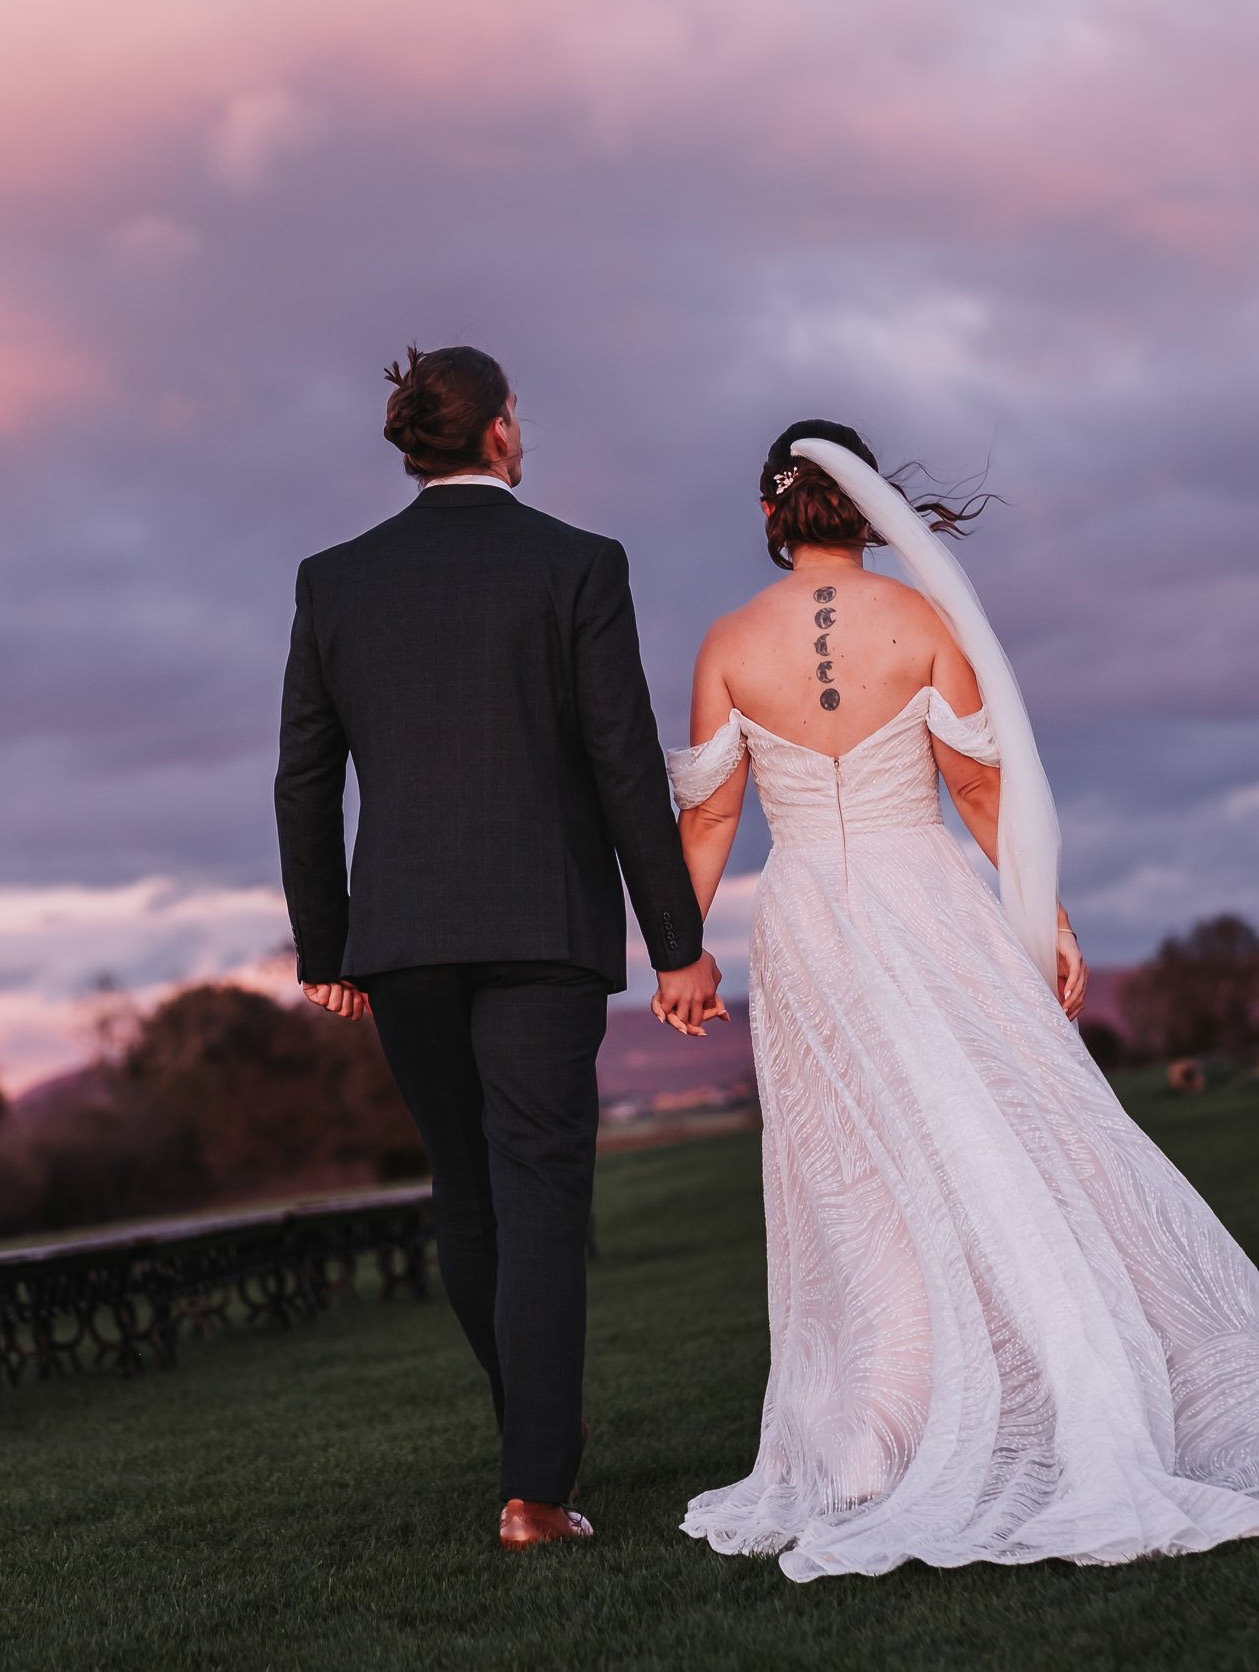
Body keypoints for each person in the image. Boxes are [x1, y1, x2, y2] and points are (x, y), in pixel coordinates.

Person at [666, 419, 1259, 1582]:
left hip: (808, 924)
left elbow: (710, 817)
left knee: (853, 1173)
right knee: (1004, 1135)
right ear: (869, 503)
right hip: (928, 895)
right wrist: (1047, 913)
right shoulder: (925, 621)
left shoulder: (729, 640)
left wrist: (679, 949)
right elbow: (980, 785)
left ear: (775, 511)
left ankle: (868, 1441)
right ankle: (1053, 1384)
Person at [274, 345, 722, 1549]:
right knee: (538, 1195)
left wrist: (328, 943)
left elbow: (303, 781)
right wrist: (677, 939)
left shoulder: (335, 580)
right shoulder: (576, 562)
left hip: (402, 934)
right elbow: (622, 759)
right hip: (541, 928)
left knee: (465, 1190)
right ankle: (535, 1485)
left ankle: (534, 1440)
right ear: (501, 434)